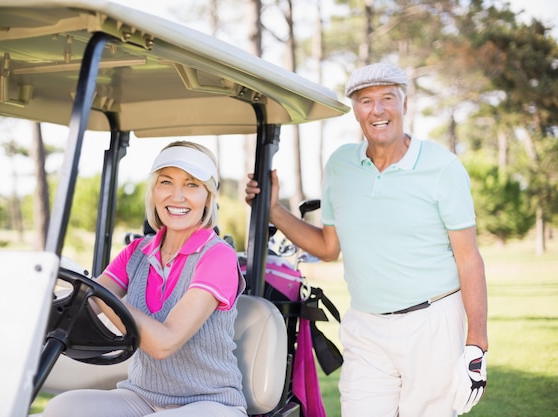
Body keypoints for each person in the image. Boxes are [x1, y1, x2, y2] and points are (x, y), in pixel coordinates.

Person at [245, 62, 488, 417]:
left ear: (405, 105)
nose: (377, 110)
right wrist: (275, 211)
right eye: (365, 101)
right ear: (356, 111)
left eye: (387, 98)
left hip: (432, 324)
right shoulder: (340, 165)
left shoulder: (443, 167)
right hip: (366, 325)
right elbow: (329, 248)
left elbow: (469, 259)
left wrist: (477, 345)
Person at [45, 140, 247, 417]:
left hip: (210, 403)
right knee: (61, 408)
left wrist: (100, 295)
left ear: (208, 197)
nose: (176, 197)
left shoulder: (217, 256)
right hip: (141, 397)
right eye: (166, 182)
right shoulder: (136, 252)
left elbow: (164, 343)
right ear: (154, 191)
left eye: (191, 185)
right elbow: (86, 301)